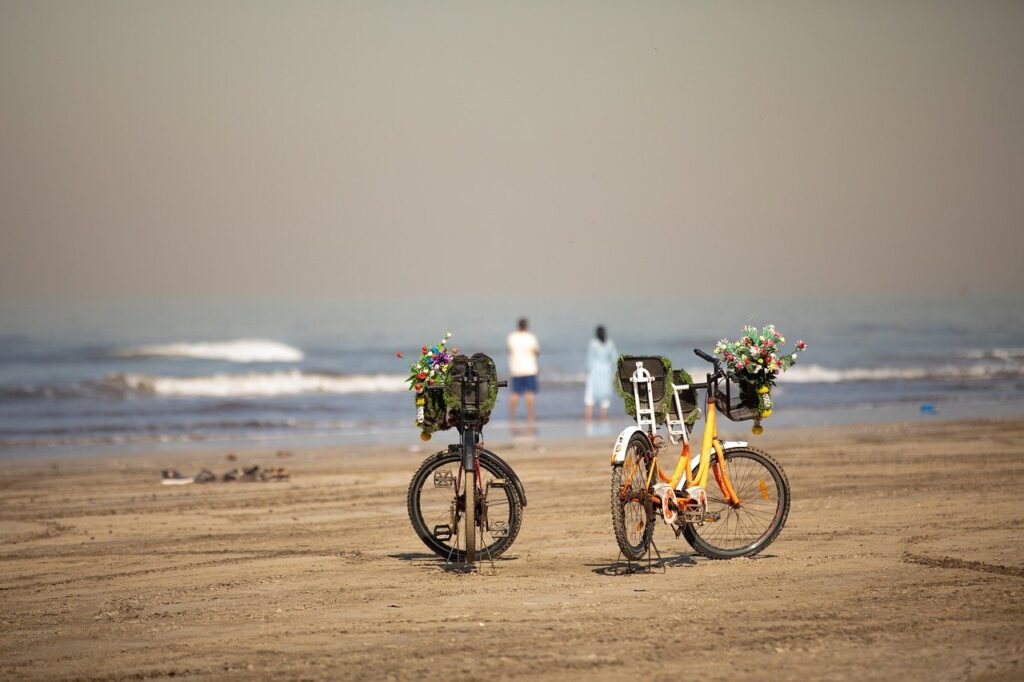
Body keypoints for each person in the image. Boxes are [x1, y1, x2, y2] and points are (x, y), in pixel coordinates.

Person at [507, 317, 540, 429]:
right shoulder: (531, 337)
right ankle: (530, 417)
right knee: (529, 393)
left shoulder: (512, 337)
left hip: (516, 369)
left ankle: (512, 417)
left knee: (515, 393)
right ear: (526, 326)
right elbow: (536, 351)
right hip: (530, 368)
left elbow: (509, 350)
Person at [584, 325, 618, 422]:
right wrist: (615, 371)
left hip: (594, 370)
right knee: (605, 396)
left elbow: (589, 359)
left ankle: (588, 417)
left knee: (590, 395)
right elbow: (615, 358)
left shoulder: (593, 343)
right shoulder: (610, 343)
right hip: (606, 371)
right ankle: (603, 417)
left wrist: (587, 370)